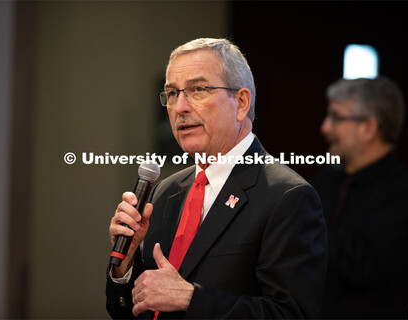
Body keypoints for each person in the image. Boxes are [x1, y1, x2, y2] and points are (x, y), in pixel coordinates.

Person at [106, 38, 328, 319]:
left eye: (197, 89)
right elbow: (128, 311)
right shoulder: (164, 192)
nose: (180, 107)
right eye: (172, 93)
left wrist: (193, 298)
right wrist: (124, 268)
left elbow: (291, 314)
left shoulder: (287, 196)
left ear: (241, 102)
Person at [312, 77, 408, 319]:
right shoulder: (326, 180)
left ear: (368, 128)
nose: (325, 128)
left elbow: (360, 266)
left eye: (336, 117)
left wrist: (309, 222)